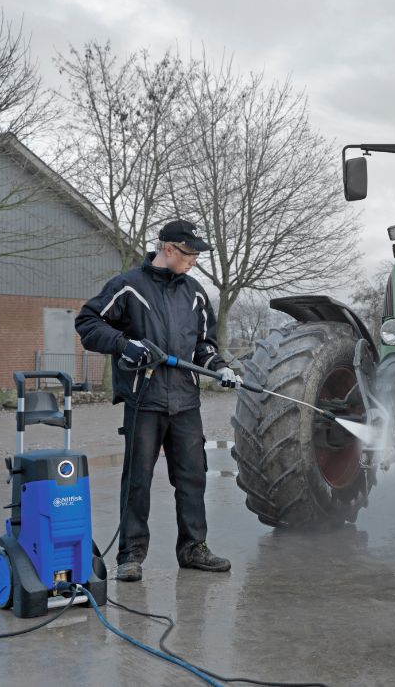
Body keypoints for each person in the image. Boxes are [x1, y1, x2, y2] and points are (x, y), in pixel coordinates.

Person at [76, 219, 241, 582]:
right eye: (189, 253)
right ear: (168, 249)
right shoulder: (127, 287)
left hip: (185, 401)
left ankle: (193, 548)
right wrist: (124, 344)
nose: (194, 260)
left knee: (192, 476)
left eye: (197, 254)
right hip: (143, 400)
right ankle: (130, 555)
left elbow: (204, 345)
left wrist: (219, 366)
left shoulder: (195, 293)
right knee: (138, 479)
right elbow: (88, 323)